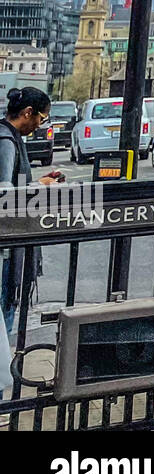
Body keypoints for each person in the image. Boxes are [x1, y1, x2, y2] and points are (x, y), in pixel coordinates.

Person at [0, 87, 52, 335]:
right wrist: (38, 187)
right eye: (41, 118)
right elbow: (5, 194)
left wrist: (37, 183)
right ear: (28, 112)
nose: (40, 125)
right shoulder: (7, 142)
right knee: (4, 312)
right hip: (6, 245)